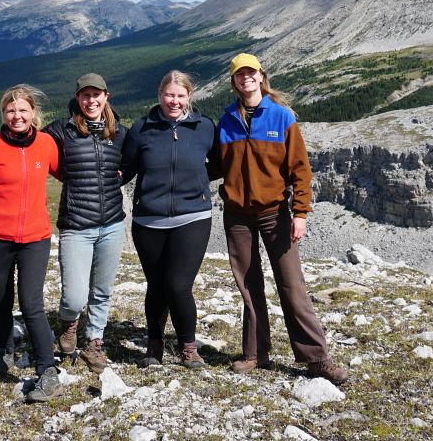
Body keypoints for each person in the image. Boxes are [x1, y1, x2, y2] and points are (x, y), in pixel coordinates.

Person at [214, 54, 348, 385]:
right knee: (248, 284)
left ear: (261, 77)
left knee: (291, 284)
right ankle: (256, 352)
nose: (245, 78)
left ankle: (316, 358)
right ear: (233, 82)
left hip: (275, 212)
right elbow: (215, 165)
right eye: (239, 75)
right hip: (237, 215)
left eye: (251, 73)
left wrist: (300, 212)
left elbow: (300, 170)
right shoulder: (227, 119)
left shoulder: (281, 117)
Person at [0, 84, 63, 402]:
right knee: (0, 299)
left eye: (23, 110)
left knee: (32, 304)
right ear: (3, 114)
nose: (17, 116)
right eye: (11, 111)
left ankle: (47, 370)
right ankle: (4, 353)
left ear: (33, 113)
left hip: (36, 238)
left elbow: (69, 172)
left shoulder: (47, 144)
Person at [121, 70, 217, 369]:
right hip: (149, 219)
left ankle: (188, 346)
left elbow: (219, 163)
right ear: (159, 95)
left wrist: (195, 184)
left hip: (193, 216)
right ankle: (154, 346)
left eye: (180, 95)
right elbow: (127, 168)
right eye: (169, 95)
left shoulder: (205, 127)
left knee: (178, 285)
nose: (174, 101)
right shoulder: (142, 128)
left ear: (189, 96)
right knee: (156, 285)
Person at [43, 73, 127, 373]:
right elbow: (26, 136)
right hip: (77, 224)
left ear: (106, 96)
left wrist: (123, 177)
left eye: (97, 95)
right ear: (77, 99)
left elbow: (130, 163)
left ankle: (94, 342)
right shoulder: (61, 131)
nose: (91, 100)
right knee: (75, 296)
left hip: (113, 224)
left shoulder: (119, 132)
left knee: (101, 291)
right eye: (85, 95)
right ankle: (68, 324)